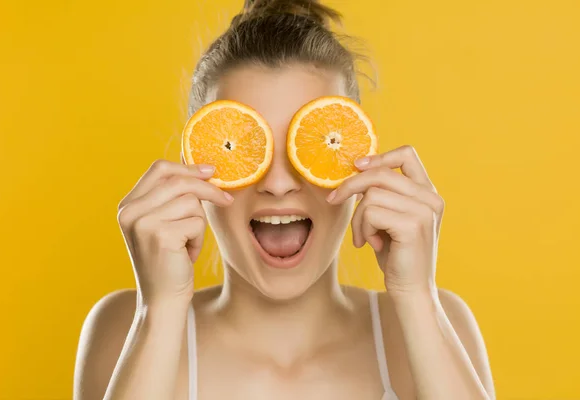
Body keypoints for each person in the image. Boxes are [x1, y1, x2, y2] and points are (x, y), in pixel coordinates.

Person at [73, 1, 496, 399]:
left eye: (310, 147)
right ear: (192, 164)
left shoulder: (434, 323)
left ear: (357, 160)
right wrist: (160, 311)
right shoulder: (122, 328)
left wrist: (416, 295)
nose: (278, 183)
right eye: (241, 146)